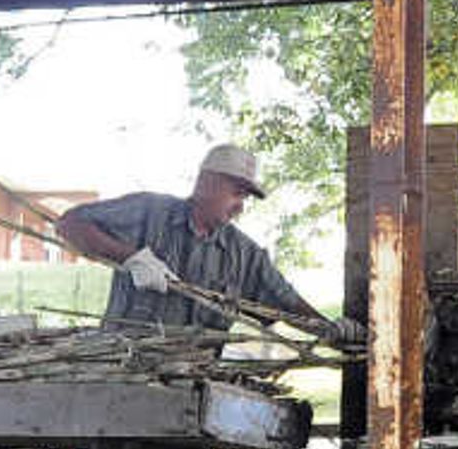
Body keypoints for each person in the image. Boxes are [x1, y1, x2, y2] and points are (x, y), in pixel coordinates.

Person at [54, 142, 360, 342]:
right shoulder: (149, 211)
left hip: (191, 388)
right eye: (237, 193)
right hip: (120, 378)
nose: (240, 206)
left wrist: (331, 330)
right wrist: (130, 257)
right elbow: (69, 224)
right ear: (206, 183)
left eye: (245, 198)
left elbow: (287, 304)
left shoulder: (244, 256)